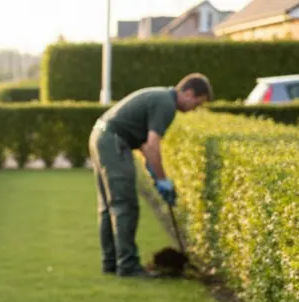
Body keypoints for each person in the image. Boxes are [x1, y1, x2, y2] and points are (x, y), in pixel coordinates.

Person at [89, 73, 213, 278]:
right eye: (197, 104)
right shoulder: (167, 104)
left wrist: (156, 176)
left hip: (100, 136)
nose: (193, 110)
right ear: (189, 93)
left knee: (108, 206)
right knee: (124, 205)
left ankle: (111, 263)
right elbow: (153, 145)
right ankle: (127, 266)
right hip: (113, 141)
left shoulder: (160, 96)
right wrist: (164, 181)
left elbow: (146, 149)